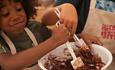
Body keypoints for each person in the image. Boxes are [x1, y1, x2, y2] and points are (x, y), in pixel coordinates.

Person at [0, 0, 78, 70]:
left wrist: (80, 40)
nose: (16, 17)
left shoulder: (34, 27)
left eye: (19, 9)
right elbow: (9, 64)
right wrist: (54, 40)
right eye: (5, 14)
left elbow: (60, 40)